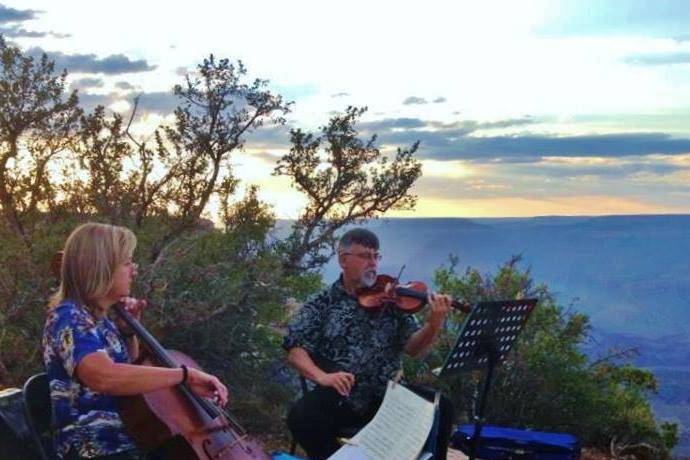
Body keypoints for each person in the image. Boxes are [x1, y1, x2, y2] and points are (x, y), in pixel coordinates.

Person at [43, 223, 229, 460]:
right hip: (94, 448)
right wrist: (184, 375)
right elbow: (104, 376)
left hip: (128, 443)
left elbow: (129, 377)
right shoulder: (68, 317)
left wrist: (128, 332)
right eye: (127, 262)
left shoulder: (100, 319)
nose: (134, 270)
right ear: (103, 268)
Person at [284, 228, 455, 460]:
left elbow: (414, 348)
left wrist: (433, 324)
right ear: (343, 260)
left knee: (440, 407)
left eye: (376, 256)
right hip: (341, 395)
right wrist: (322, 377)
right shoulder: (323, 303)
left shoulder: (393, 299)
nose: (373, 263)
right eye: (365, 256)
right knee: (301, 416)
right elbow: (295, 349)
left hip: (387, 396)